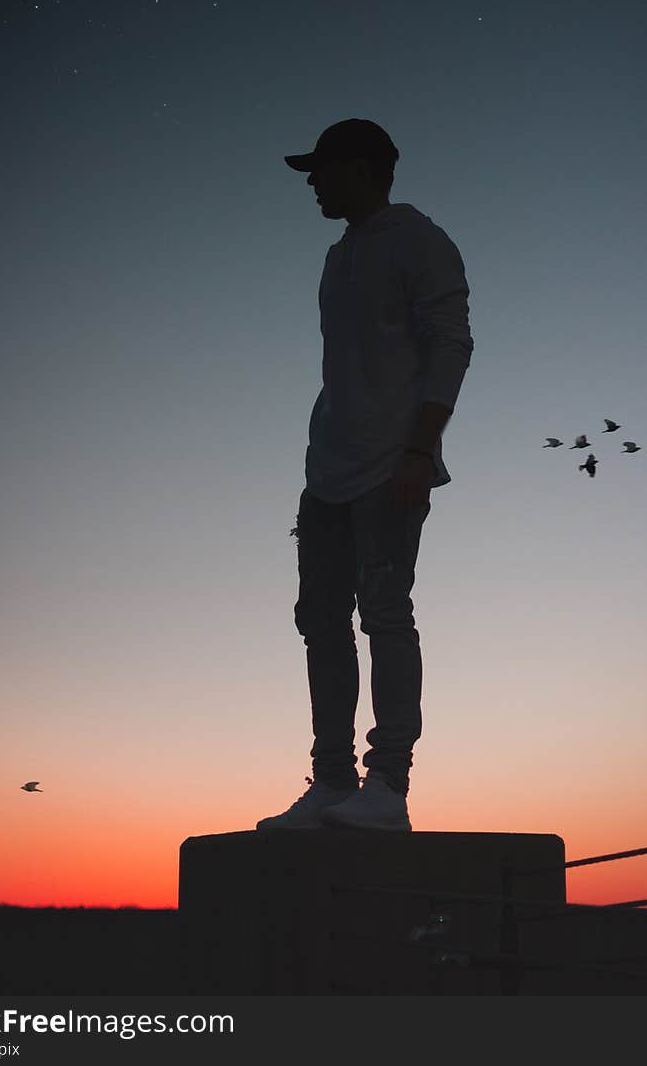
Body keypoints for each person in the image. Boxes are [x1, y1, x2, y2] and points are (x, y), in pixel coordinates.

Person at [256, 119, 474, 833]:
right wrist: (321, 463)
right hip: (328, 472)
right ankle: (331, 782)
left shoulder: (421, 243)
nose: (313, 182)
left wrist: (418, 452)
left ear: (365, 168)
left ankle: (387, 785)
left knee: (384, 613)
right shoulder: (338, 255)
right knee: (320, 621)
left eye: (323, 169)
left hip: (390, 465)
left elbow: (450, 348)